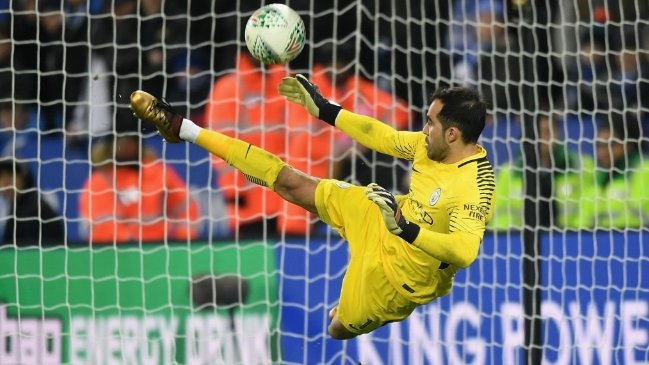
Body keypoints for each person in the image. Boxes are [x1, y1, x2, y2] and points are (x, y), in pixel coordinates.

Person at [130, 74, 495, 339]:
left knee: (336, 329)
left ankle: (353, 308)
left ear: (453, 135)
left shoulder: (474, 185)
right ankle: (183, 128)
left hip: (397, 281)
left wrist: (407, 229)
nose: (423, 128)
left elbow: (464, 252)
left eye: (430, 123)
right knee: (292, 182)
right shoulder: (429, 144)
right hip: (383, 216)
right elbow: (379, 135)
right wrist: (324, 109)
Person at [78, 110, 199, 244]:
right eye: (120, 141)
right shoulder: (100, 180)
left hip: (162, 251)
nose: (126, 146)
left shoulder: (158, 172)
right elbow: (104, 228)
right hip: (118, 255)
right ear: (109, 145)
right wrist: (136, 250)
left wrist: (182, 242)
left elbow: (186, 208)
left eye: (130, 140)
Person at [492, 112, 597, 230]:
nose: (541, 139)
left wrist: (571, 237)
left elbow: (589, 207)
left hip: (573, 239)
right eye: (536, 134)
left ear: (558, 134)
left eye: (547, 132)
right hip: (520, 241)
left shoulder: (582, 166)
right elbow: (500, 215)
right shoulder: (508, 172)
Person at [579, 111, 649, 228]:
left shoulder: (644, 170)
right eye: (599, 146)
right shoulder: (597, 178)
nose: (603, 152)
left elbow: (641, 217)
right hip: (597, 244)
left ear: (628, 144)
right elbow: (582, 221)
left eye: (611, 145)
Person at [0, 159, 65, 246]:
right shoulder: (17, 207)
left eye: (11, 175)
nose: (5, 183)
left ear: (25, 178)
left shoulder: (35, 210)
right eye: (1, 176)